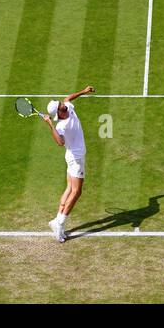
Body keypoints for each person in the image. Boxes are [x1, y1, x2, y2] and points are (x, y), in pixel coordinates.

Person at [42, 85, 96, 242]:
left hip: (72, 156)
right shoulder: (61, 126)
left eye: (61, 104)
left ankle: (57, 220)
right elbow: (60, 142)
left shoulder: (68, 106)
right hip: (76, 159)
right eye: (60, 107)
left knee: (69, 188)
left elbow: (68, 98)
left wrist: (83, 92)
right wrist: (50, 125)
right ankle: (60, 222)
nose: (63, 105)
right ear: (58, 113)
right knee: (77, 191)